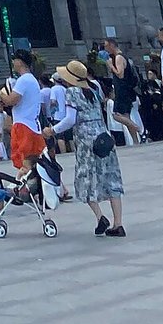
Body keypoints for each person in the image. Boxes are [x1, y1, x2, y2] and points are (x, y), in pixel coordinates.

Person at [52, 61, 125, 238]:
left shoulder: (72, 92)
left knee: (84, 179)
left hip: (86, 142)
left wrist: (52, 130)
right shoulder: (93, 90)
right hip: (104, 138)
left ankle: (100, 217)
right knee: (111, 179)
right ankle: (118, 224)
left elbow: (70, 120)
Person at [0, 51, 47, 172]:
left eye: (14, 60)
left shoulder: (23, 80)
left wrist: (2, 93)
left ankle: (23, 182)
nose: (13, 63)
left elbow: (11, 100)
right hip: (33, 124)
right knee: (35, 160)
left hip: (23, 125)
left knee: (25, 163)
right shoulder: (32, 79)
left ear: (20, 62)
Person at [105, 41, 143, 146]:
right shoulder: (119, 57)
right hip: (124, 90)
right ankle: (135, 140)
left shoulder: (119, 57)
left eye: (107, 46)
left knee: (116, 115)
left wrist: (111, 66)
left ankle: (138, 128)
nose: (106, 49)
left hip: (122, 90)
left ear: (112, 45)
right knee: (126, 116)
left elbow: (120, 74)